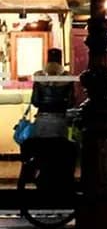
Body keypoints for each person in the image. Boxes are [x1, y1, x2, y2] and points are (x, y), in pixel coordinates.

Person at [24, 49, 77, 184]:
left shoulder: (39, 77)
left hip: (42, 120)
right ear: (61, 60)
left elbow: (35, 101)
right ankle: (57, 179)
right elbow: (71, 102)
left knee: (42, 151)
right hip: (60, 120)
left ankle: (41, 176)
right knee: (59, 152)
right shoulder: (67, 78)